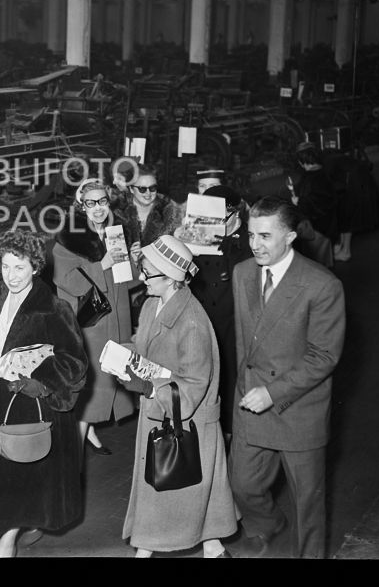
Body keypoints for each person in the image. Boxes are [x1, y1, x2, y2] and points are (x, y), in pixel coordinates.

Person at [0, 228, 88, 558]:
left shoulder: (53, 309)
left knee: (19, 475)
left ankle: (8, 540)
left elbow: (75, 364)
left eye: (20, 268)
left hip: (27, 406)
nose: (11, 276)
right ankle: (22, 524)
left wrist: (39, 383)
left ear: (36, 267)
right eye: (7, 266)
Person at [227, 196, 346, 559]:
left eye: (265, 236)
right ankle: (268, 525)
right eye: (250, 235)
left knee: (308, 503)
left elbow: (324, 355)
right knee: (242, 485)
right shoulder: (243, 273)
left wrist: (273, 393)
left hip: (299, 408)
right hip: (250, 402)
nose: (254, 245)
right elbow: (247, 342)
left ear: (291, 236)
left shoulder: (321, 284)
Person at [120, 235, 239, 558]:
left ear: (173, 279)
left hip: (187, 425)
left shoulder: (192, 322)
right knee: (197, 514)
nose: (142, 278)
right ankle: (215, 551)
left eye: (148, 274)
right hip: (162, 416)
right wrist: (123, 357)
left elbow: (193, 386)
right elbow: (142, 346)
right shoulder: (150, 305)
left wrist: (147, 386)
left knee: (163, 500)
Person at [51, 178, 136, 456]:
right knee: (96, 382)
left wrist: (135, 261)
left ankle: (90, 431)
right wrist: (102, 266)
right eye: (91, 203)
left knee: (112, 376)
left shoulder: (114, 233)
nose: (98, 208)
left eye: (102, 201)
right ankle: (73, 448)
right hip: (92, 324)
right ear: (81, 206)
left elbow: (127, 281)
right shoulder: (69, 239)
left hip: (117, 319)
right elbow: (64, 279)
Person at [180, 184, 251, 444]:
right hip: (202, 319)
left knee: (232, 376)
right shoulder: (198, 235)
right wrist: (181, 247)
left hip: (235, 322)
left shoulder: (249, 239)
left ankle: (232, 435)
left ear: (235, 214)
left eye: (220, 219)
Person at [112, 163, 184, 267]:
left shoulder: (171, 213)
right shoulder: (117, 212)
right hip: (128, 277)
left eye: (152, 188)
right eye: (142, 189)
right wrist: (130, 258)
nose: (148, 193)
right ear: (131, 189)